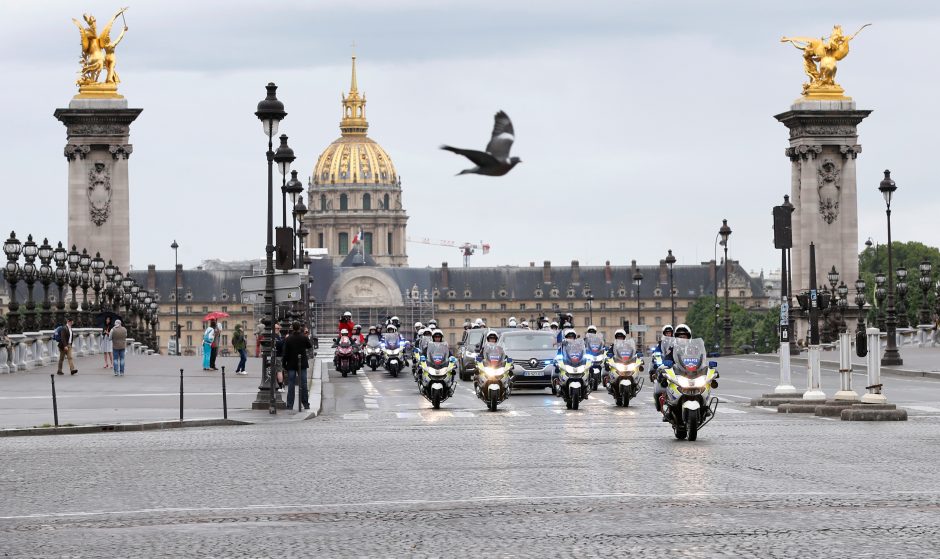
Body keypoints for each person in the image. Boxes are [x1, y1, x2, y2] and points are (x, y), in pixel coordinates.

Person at [282, 321, 313, 410]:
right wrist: (306, 335)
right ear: (300, 328)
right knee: (303, 383)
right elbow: (309, 346)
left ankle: (290, 404)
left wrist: (284, 364)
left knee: (291, 384)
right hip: (302, 363)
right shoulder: (303, 337)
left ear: (292, 328)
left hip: (291, 363)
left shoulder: (288, 339)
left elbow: (285, 353)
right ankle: (305, 403)